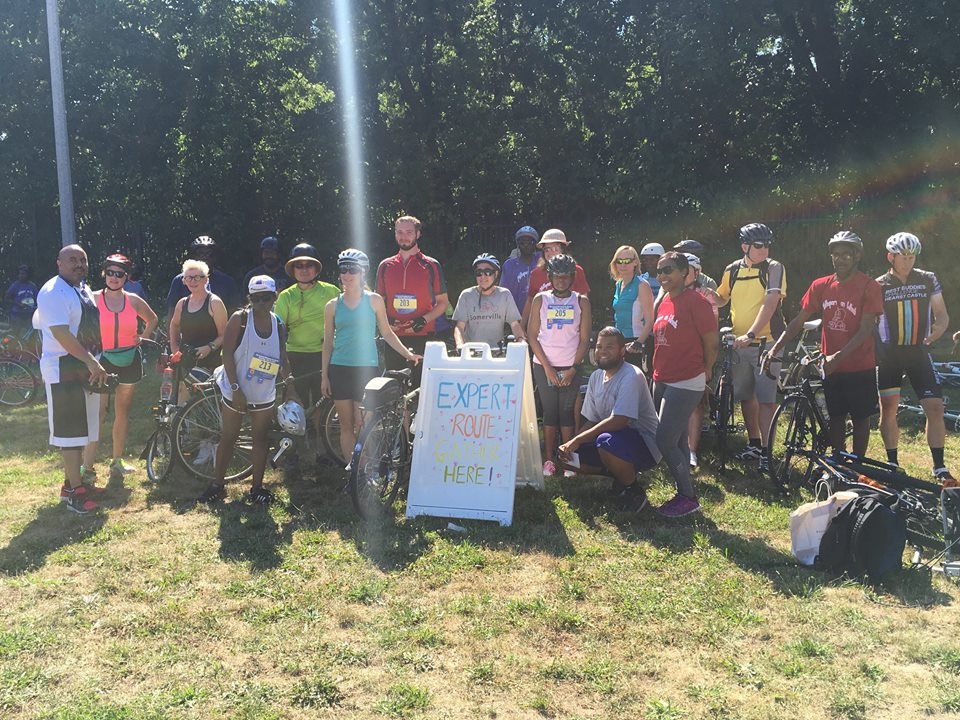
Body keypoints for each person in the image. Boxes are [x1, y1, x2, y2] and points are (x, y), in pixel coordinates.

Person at [764, 231, 883, 458]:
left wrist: (836, 357)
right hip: (832, 367)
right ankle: (838, 461)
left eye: (846, 255)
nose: (840, 259)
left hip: (860, 365)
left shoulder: (869, 286)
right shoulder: (821, 285)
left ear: (857, 256)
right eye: (835, 255)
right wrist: (775, 348)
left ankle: (857, 467)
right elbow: (798, 321)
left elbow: (865, 329)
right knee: (836, 415)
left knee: (860, 417)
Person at [198, 276, 293, 504]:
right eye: (256, 298)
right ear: (249, 298)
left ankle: (257, 488)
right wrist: (235, 388)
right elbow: (227, 354)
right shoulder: (239, 319)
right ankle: (218, 485)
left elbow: (282, 355)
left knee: (260, 438)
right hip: (236, 389)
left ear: (275, 297)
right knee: (229, 437)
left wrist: (290, 383)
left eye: (267, 298)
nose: (261, 303)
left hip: (263, 392)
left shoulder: (277, 323)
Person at [322, 249, 422, 465]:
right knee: (346, 426)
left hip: (366, 369)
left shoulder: (374, 300)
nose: (347, 275)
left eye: (353, 270)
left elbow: (387, 332)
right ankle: (354, 471)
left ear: (362, 273)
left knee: (365, 424)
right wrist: (324, 376)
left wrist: (407, 353)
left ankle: (368, 469)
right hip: (339, 368)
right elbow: (328, 342)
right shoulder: (332, 305)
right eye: (343, 270)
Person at [34, 245, 109, 514]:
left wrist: (96, 359)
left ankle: (73, 483)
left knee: (83, 429)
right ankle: (74, 493)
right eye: (72, 260)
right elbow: (62, 334)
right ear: (59, 263)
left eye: (83, 260)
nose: (78, 264)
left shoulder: (82, 288)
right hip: (64, 368)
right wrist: (91, 360)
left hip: (86, 367)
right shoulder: (53, 291)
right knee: (69, 432)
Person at [875, 232, 953, 482]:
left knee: (935, 407)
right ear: (891, 257)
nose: (907, 262)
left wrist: (933, 335)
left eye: (911, 257)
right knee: (888, 410)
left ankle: (939, 466)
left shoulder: (928, 279)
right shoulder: (879, 284)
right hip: (890, 355)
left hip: (918, 353)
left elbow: (941, 315)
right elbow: (871, 321)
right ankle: (892, 462)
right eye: (902, 257)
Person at [557, 327, 661, 511]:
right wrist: (571, 444)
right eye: (599, 346)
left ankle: (632, 490)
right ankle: (619, 476)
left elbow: (619, 420)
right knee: (568, 458)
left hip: (646, 444)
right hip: (613, 440)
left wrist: (578, 439)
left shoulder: (632, 375)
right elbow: (592, 420)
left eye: (609, 347)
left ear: (622, 351)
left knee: (605, 441)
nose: (602, 351)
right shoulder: (596, 377)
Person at [712, 223, 786, 472]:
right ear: (745, 246)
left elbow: (771, 301)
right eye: (758, 245)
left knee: (766, 400)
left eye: (767, 244)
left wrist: (752, 333)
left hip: (768, 343)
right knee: (746, 397)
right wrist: (708, 296)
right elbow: (722, 297)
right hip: (740, 343)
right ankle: (754, 443)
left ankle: (767, 452)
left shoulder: (774, 268)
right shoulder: (732, 269)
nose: (764, 249)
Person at [651, 252, 719, 517]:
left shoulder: (696, 301)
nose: (662, 276)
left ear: (684, 272)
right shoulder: (665, 300)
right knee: (676, 438)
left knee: (664, 439)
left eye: (668, 270)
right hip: (662, 378)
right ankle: (683, 492)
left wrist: (707, 371)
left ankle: (688, 496)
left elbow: (711, 341)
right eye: (659, 271)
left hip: (687, 379)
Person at [91, 254, 158, 482]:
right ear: (104, 274)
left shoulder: (133, 300)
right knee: (97, 414)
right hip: (103, 360)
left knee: (122, 412)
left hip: (130, 359)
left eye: (119, 274)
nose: (114, 277)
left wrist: (143, 337)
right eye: (110, 272)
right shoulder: (92, 299)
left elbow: (153, 319)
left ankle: (116, 460)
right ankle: (87, 464)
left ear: (126, 277)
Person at [528, 254, 592, 477]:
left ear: (573, 277)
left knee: (566, 414)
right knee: (549, 413)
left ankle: (567, 459)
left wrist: (573, 367)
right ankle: (549, 460)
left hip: (570, 365)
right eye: (557, 277)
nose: (561, 281)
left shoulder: (581, 301)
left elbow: (584, 339)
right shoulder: (540, 299)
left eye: (566, 277)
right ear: (550, 277)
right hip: (544, 364)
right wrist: (546, 368)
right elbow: (532, 335)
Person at [274, 243, 340, 461]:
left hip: (323, 355)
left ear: (316, 268)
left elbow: (344, 320)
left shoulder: (331, 291)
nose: (304, 269)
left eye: (309, 265)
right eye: (298, 265)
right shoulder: (285, 296)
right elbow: (278, 329)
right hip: (294, 355)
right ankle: (293, 450)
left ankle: (323, 446)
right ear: (292, 269)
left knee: (323, 402)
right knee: (294, 403)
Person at [375, 215, 449, 380]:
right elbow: (377, 301)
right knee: (393, 390)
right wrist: (386, 319)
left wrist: (423, 320)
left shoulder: (431, 265)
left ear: (418, 234)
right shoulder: (385, 266)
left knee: (421, 390)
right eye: (399, 232)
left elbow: (443, 303)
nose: (404, 236)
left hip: (423, 336)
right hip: (393, 338)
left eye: (409, 232)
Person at [680, 253, 719, 468]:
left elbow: (711, 332)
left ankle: (691, 450)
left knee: (696, 403)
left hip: (697, 354)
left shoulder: (705, 294)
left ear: (697, 272)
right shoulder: (670, 294)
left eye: (689, 270)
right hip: (676, 355)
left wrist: (708, 365)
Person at [452, 254, 525, 351]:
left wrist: (521, 340)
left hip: (497, 352)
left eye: (487, 272)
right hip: (472, 352)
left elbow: (515, 324)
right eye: (479, 272)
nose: (483, 276)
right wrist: (460, 344)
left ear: (496, 274)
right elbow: (459, 327)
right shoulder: (466, 295)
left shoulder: (504, 295)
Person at [521, 228, 591, 329]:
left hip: (572, 330)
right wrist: (522, 326)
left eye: (555, 249)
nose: (551, 253)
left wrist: (583, 329)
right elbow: (530, 301)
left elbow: (584, 300)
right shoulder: (536, 274)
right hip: (544, 331)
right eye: (547, 249)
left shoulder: (577, 271)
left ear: (563, 250)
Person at [168, 259, 228, 373]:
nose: (192, 281)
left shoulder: (214, 303)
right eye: (188, 278)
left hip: (210, 364)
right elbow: (174, 325)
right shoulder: (182, 303)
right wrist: (175, 349)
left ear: (206, 279)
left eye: (197, 277)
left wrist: (209, 348)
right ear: (184, 281)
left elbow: (224, 334)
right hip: (185, 361)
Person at [165, 236, 241, 315]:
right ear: (193, 257)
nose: (205, 257)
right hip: (188, 326)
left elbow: (234, 312)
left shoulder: (227, 281)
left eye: (209, 254)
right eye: (200, 254)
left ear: (215, 257)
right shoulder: (179, 280)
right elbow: (172, 312)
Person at [608, 245, 653, 366]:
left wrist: (639, 342)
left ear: (635, 263)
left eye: (627, 261)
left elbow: (650, 320)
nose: (623, 265)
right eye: (619, 261)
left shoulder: (642, 285)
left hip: (636, 341)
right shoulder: (619, 284)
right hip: (620, 341)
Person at [500, 226, 541, 313]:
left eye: (530, 242)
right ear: (518, 244)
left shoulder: (542, 261)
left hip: (542, 314)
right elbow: (504, 293)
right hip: (516, 314)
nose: (526, 246)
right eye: (522, 243)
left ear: (535, 244)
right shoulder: (510, 265)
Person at [5, 264, 39, 332]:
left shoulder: (32, 286)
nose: (21, 275)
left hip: (29, 315)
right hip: (17, 315)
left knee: (29, 335)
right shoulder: (15, 285)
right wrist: (18, 304)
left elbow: (38, 298)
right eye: (20, 274)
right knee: (16, 334)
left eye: (23, 274)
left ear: (27, 275)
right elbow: (6, 298)